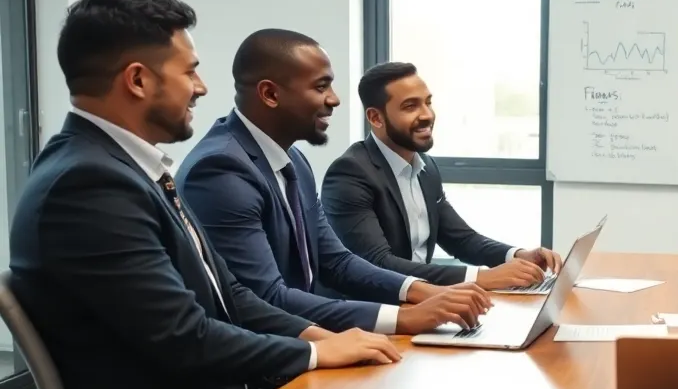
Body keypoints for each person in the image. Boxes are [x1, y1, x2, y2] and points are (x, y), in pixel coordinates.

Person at [8, 0, 401, 389]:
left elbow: (228, 293)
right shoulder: (87, 184)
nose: (202, 87)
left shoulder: (127, 168)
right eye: (189, 71)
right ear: (139, 80)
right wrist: (310, 356)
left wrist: (319, 338)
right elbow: (183, 335)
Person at [176, 29, 490, 336]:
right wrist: (402, 318)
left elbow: (336, 261)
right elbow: (266, 297)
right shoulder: (220, 170)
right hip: (260, 366)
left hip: (305, 341)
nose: (334, 100)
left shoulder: (294, 160)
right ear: (270, 94)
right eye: (321, 87)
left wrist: (423, 292)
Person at [321, 62, 561, 290]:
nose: (427, 115)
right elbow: (379, 263)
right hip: (369, 314)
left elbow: (461, 239)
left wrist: (517, 256)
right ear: (376, 118)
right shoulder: (349, 174)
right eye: (410, 106)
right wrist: (480, 278)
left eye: (428, 102)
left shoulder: (426, 166)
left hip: (423, 302)